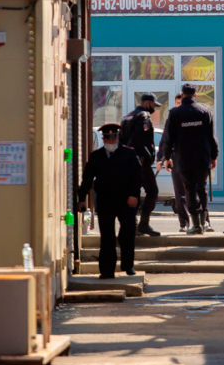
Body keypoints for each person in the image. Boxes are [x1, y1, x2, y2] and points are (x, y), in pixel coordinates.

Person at [77, 123, 142, 278]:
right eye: (108, 138)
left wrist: (134, 195)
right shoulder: (96, 156)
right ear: (103, 138)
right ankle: (107, 270)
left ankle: (128, 265)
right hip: (106, 200)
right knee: (107, 236)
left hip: (126, 201)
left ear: (118, 137)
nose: (111, 141)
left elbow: (137, 176)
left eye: (114, 137)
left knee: (127, 233)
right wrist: (82, 199)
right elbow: (87, 178)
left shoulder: (129, 153)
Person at [161, 83, 219, 235]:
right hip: (202, 157)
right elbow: (211, 137)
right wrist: (214, 156)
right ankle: (204, 221)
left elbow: (168, 139)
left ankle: (196, 224)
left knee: (190, 189)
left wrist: (166, 157)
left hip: (184, 158)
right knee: (202, 188)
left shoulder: (175, 113)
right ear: (195, 95)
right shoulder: (205, 112)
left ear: (183, 94)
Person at [120, 93, 162, 236]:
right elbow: (138, 137)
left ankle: (133, 225)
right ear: (147, 104)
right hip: (139, 161)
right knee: (152, 191)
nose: (154, 109)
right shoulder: (143, 116)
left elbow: (121, 140)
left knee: (134, 192)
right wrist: (138, 156)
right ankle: (143, 224)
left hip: (127, 162)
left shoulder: (127, 116)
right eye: (154, 106)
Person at [157, 127, 190, 231]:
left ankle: (203, 221)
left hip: (192, 158)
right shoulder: (174, 117)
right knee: (180, 193)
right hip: (177, 159)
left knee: (196, 192)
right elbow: (165, 140)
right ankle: (184, 223)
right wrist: (161, 159)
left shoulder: (194, 115)